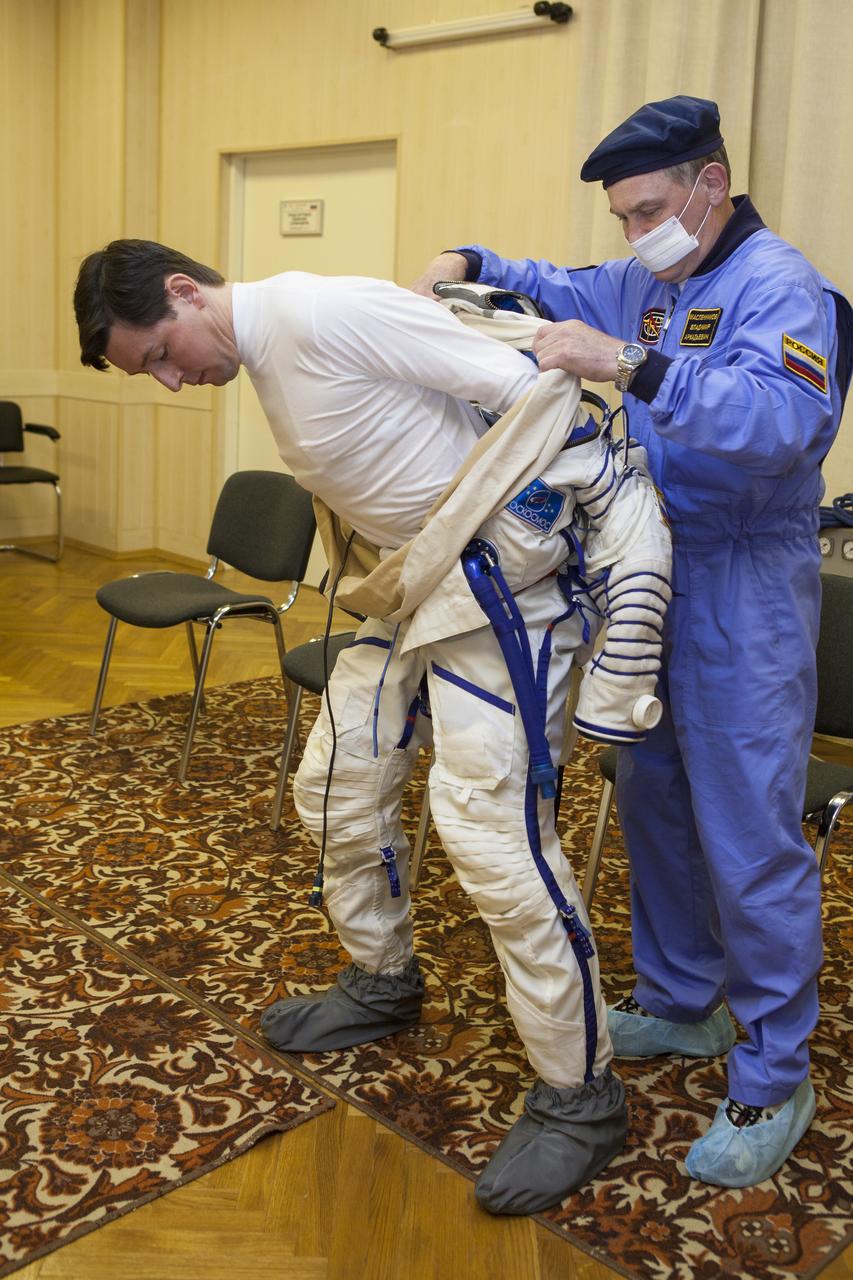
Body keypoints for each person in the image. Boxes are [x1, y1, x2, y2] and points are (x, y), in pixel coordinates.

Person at [73, 240, 673, 1215]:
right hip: (413, 593)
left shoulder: (318, 312)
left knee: (493, 837)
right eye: (155, 372)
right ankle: (383, 975)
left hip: (500, 599)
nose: (175, 379)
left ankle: (580, 1089)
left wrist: (532, 530)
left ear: (184, 291)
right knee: (334, 785)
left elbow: (533, 388)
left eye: (161, 353)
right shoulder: (273, 351)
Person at [411, 93, 853, 1189]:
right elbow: (555, 288)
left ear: (710, 184)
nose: (632, 232)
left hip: (743, 580)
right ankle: (680, 996)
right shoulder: (650, 278)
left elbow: (782, 425)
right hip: (644, 569)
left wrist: (633, 366)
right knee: (651, 795)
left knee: (748, 830)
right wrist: (465, 257)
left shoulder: (777, 285)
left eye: (647, 207)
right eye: (620, 215)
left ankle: (772, 1069)